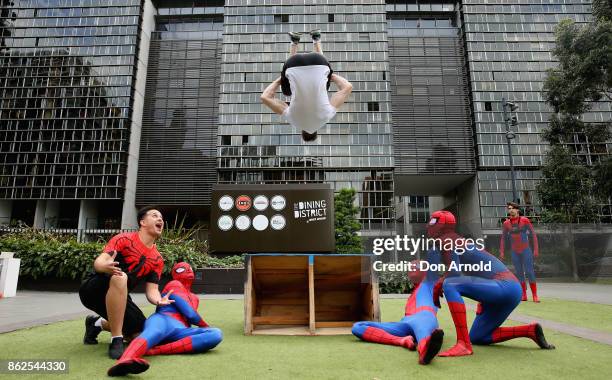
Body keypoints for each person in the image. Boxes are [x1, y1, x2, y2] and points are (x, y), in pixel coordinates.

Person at [428, 210, 555, 357]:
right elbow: (475, 270)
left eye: (433, 221)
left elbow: (455, 273)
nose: (429, 225)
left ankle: (463, 344)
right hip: (507, 290)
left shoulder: (447, 240)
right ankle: (529, 331)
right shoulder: (453, 240)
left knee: (450, 284)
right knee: (478, 336)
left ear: (443, 225)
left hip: (504, 286)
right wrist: (483, 300)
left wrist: (440, 283)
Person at [79, 206, 172, 359]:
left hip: (120, 297)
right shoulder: (123, 239)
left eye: (161, 217)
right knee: (120, 276)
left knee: (140, 333)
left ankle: (95, 324)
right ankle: (116, 339)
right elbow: (99, 263)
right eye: (155, 216)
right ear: (142, 222)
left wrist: (158, 300)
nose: (160, 219)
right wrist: (105, 266)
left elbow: (152, 289)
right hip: (94, 288)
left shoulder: (158, 259)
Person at [107, 262, 223, 377]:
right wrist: (205, 326)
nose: (188, 270)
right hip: (163, 320)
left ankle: (154, 351)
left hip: (180, 331)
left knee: (216, 334)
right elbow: (190, 314)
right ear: (174, 274)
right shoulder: (174, 284)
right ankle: (124, 360)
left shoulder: (195, 298)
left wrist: (207, 329)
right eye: (182, 269)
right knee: (153, 332)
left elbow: (190, 318)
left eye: (190, 269)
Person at [260, 29, 353, 142]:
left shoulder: (327, 115)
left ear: (316, 132)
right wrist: (283, 77)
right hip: (292, 64)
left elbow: (347, 87)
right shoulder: (293, 119)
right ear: (302, 132)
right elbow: (265, 97)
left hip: (319, 61)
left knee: (324, 86)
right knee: (287, 92)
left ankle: (316, 39)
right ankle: (294, 42)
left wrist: (329, 75)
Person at [352, 254, 444, 365]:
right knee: (357, 327)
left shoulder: (429, 283)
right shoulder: (413, 294)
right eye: (410, 266)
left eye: (417, 265)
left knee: (423, 333)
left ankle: (425, 351)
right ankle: (402, 341)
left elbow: (434, 256)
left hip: (424, 316)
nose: (412, 267)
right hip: (404, 323)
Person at [500, 201, 540, 302]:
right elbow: (503, 238)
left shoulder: (525, 220)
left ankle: (535, 295)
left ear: (517, 210)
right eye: (508, 209)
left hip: (526, 250)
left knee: (530, 272)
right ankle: (524, 295)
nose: (510, 210)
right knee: (519, 273)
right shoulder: (506, 223)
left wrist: (536, 249)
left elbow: (533, 234)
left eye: (511, 208)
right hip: (515, 252)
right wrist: (502, 252)